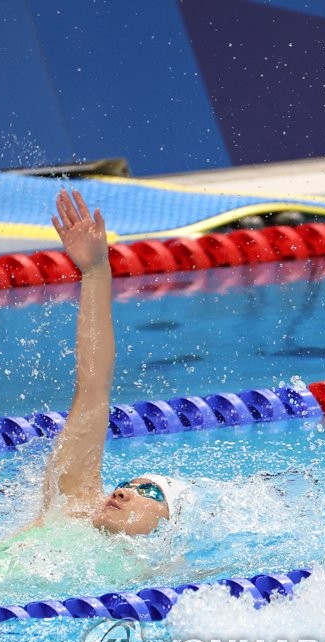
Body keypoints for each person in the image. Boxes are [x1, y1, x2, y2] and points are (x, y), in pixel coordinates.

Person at [32, 188, 190, 536]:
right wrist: (95, 271)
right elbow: (93, 387)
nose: (121, 491)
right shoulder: (69, 510)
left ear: (167, 526)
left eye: (148, 492)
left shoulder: (151, 579)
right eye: (129, 484)